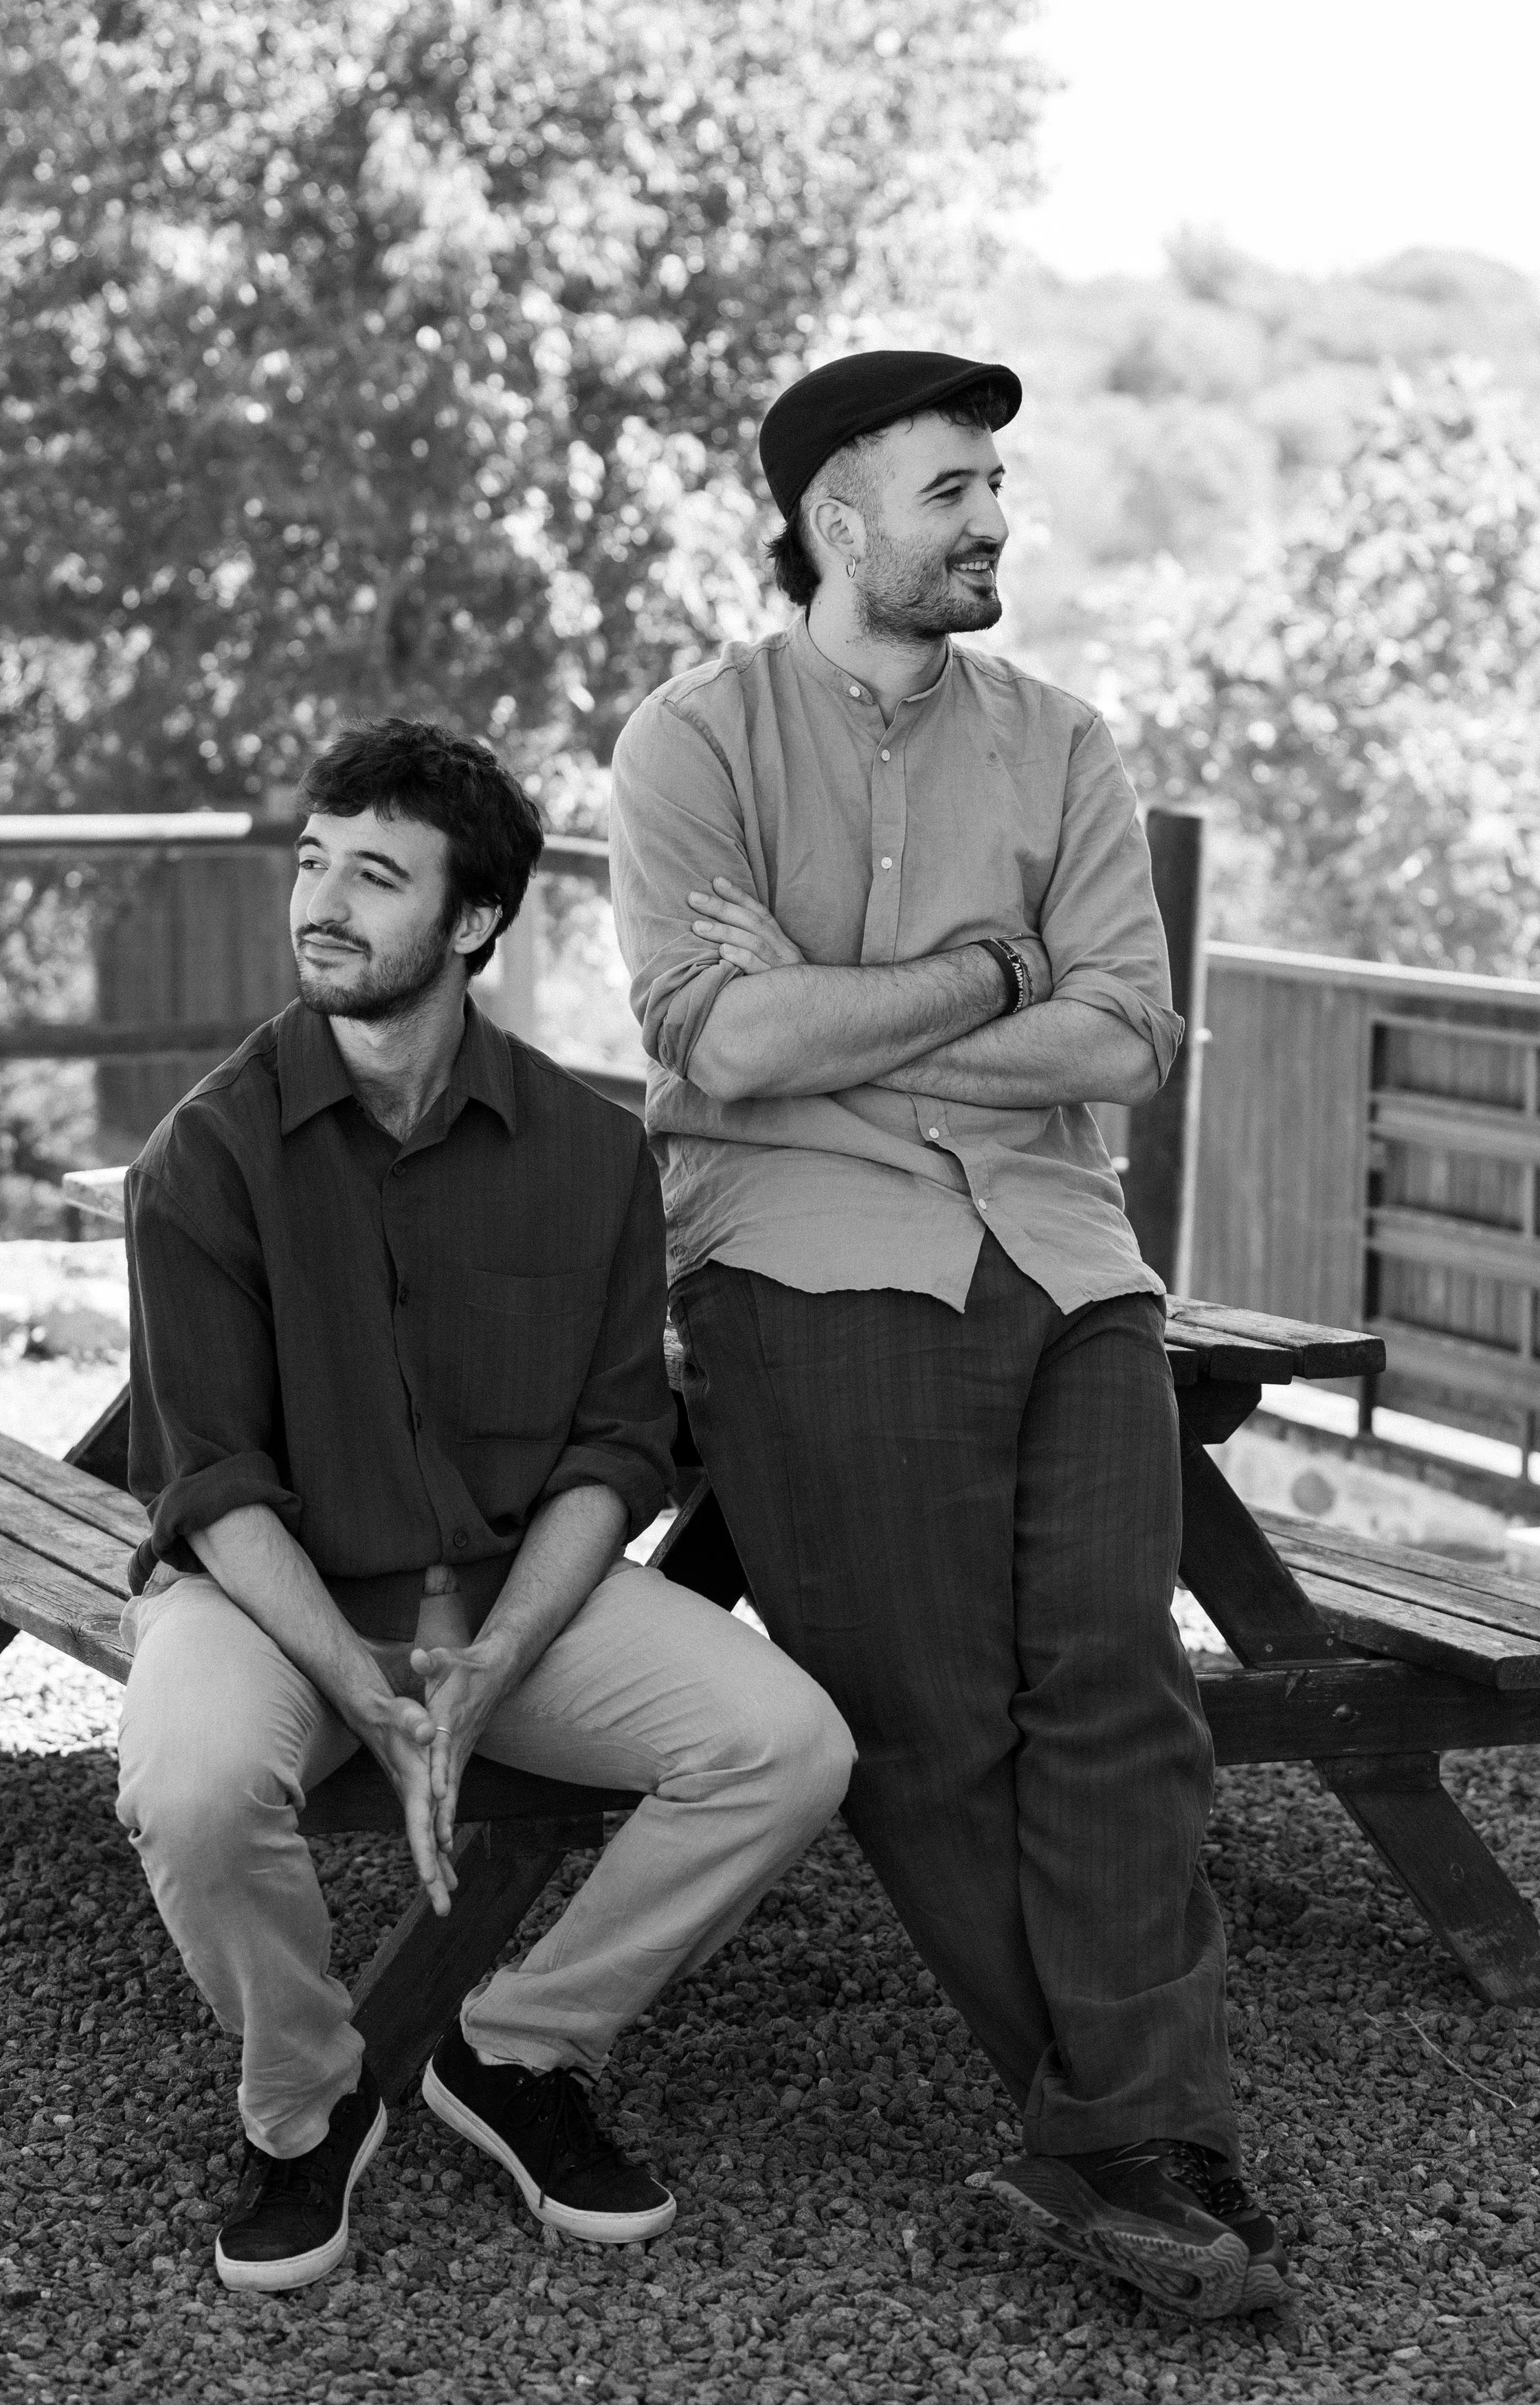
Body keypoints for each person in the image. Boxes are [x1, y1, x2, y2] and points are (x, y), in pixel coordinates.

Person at [608, 350, 1284, 2320]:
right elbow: (722, 1038)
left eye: (997, 486)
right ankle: (1135, 2133)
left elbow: (1125, 1035)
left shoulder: (1062, 743)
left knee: (1121, 1695)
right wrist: (998, 970)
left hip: (1067, 1261)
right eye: (951, 492)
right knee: (922, 1720)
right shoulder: (692, 740)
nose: (993, 521)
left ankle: (1129, 2144)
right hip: (803, 1258)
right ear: (835, 522)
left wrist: (851, 1009)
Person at [115, 715, 854, 2293]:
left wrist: (499, 1657)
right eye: (313, 864)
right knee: (190, 1788)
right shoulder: (204, 1157)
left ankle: (516, 2048)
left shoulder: (589, 1153)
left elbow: (614, 1451)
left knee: (787, 1746)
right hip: (269, 1594)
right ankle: (307, 2102)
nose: (321, 905)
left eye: (374, 877)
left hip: (511, 1589)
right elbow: (212, 1483)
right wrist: (365, 1692)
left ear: (472, 922)